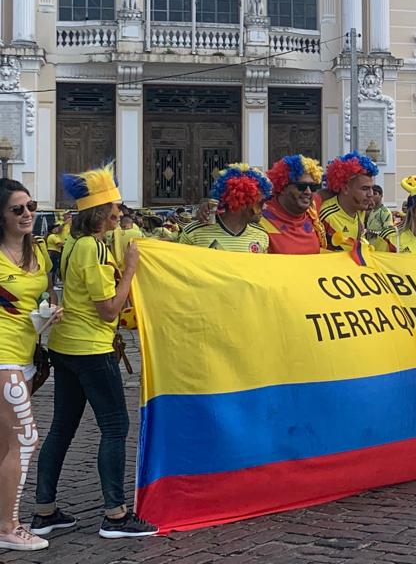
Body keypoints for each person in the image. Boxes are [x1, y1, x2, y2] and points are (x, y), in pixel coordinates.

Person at [33, 164, 156, 539]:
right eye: (116, 210)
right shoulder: (95, 250)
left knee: (62, 428)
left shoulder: (72, 243)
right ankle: (115, 515)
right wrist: (131, 271)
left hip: (65, 346)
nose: (120, 215)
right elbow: (108, 309)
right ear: (101, 214)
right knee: (115, 427)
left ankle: (44, 509)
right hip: (92, 348)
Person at [0, 181, 59, 552]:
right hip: (1, 354)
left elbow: (46, 294)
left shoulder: (39, 252)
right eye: (17, 209)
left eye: (31, 206)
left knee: (6, 441)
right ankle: (9, 527)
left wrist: (49, 313)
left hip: (25, 356)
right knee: (26, 437)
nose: (27, 215)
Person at [178, 164, 271, 253]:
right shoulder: (193, 233)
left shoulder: (261, 235)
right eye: (260, 203)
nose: (264, 207)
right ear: (242, 203)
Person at [260, 155, 327, 255]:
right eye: (301, 186)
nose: (308, 191)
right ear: (282, 187)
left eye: (313, 187)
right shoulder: (260, 219)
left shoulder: (313, 214)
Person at [318, 152, 382, 253]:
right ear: (345, 188)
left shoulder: (360, 209)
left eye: (371, 188)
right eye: (365, 188)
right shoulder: (327, 217)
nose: (370, 194)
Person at [365, 184, 396, 252]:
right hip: (370, 247)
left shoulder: (385, 211)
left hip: (381, 248)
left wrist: (371, 232)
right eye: (371, 194)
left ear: (381, 195)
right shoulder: (372, 211)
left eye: (375, 194)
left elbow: (389, 232)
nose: (372, 196)